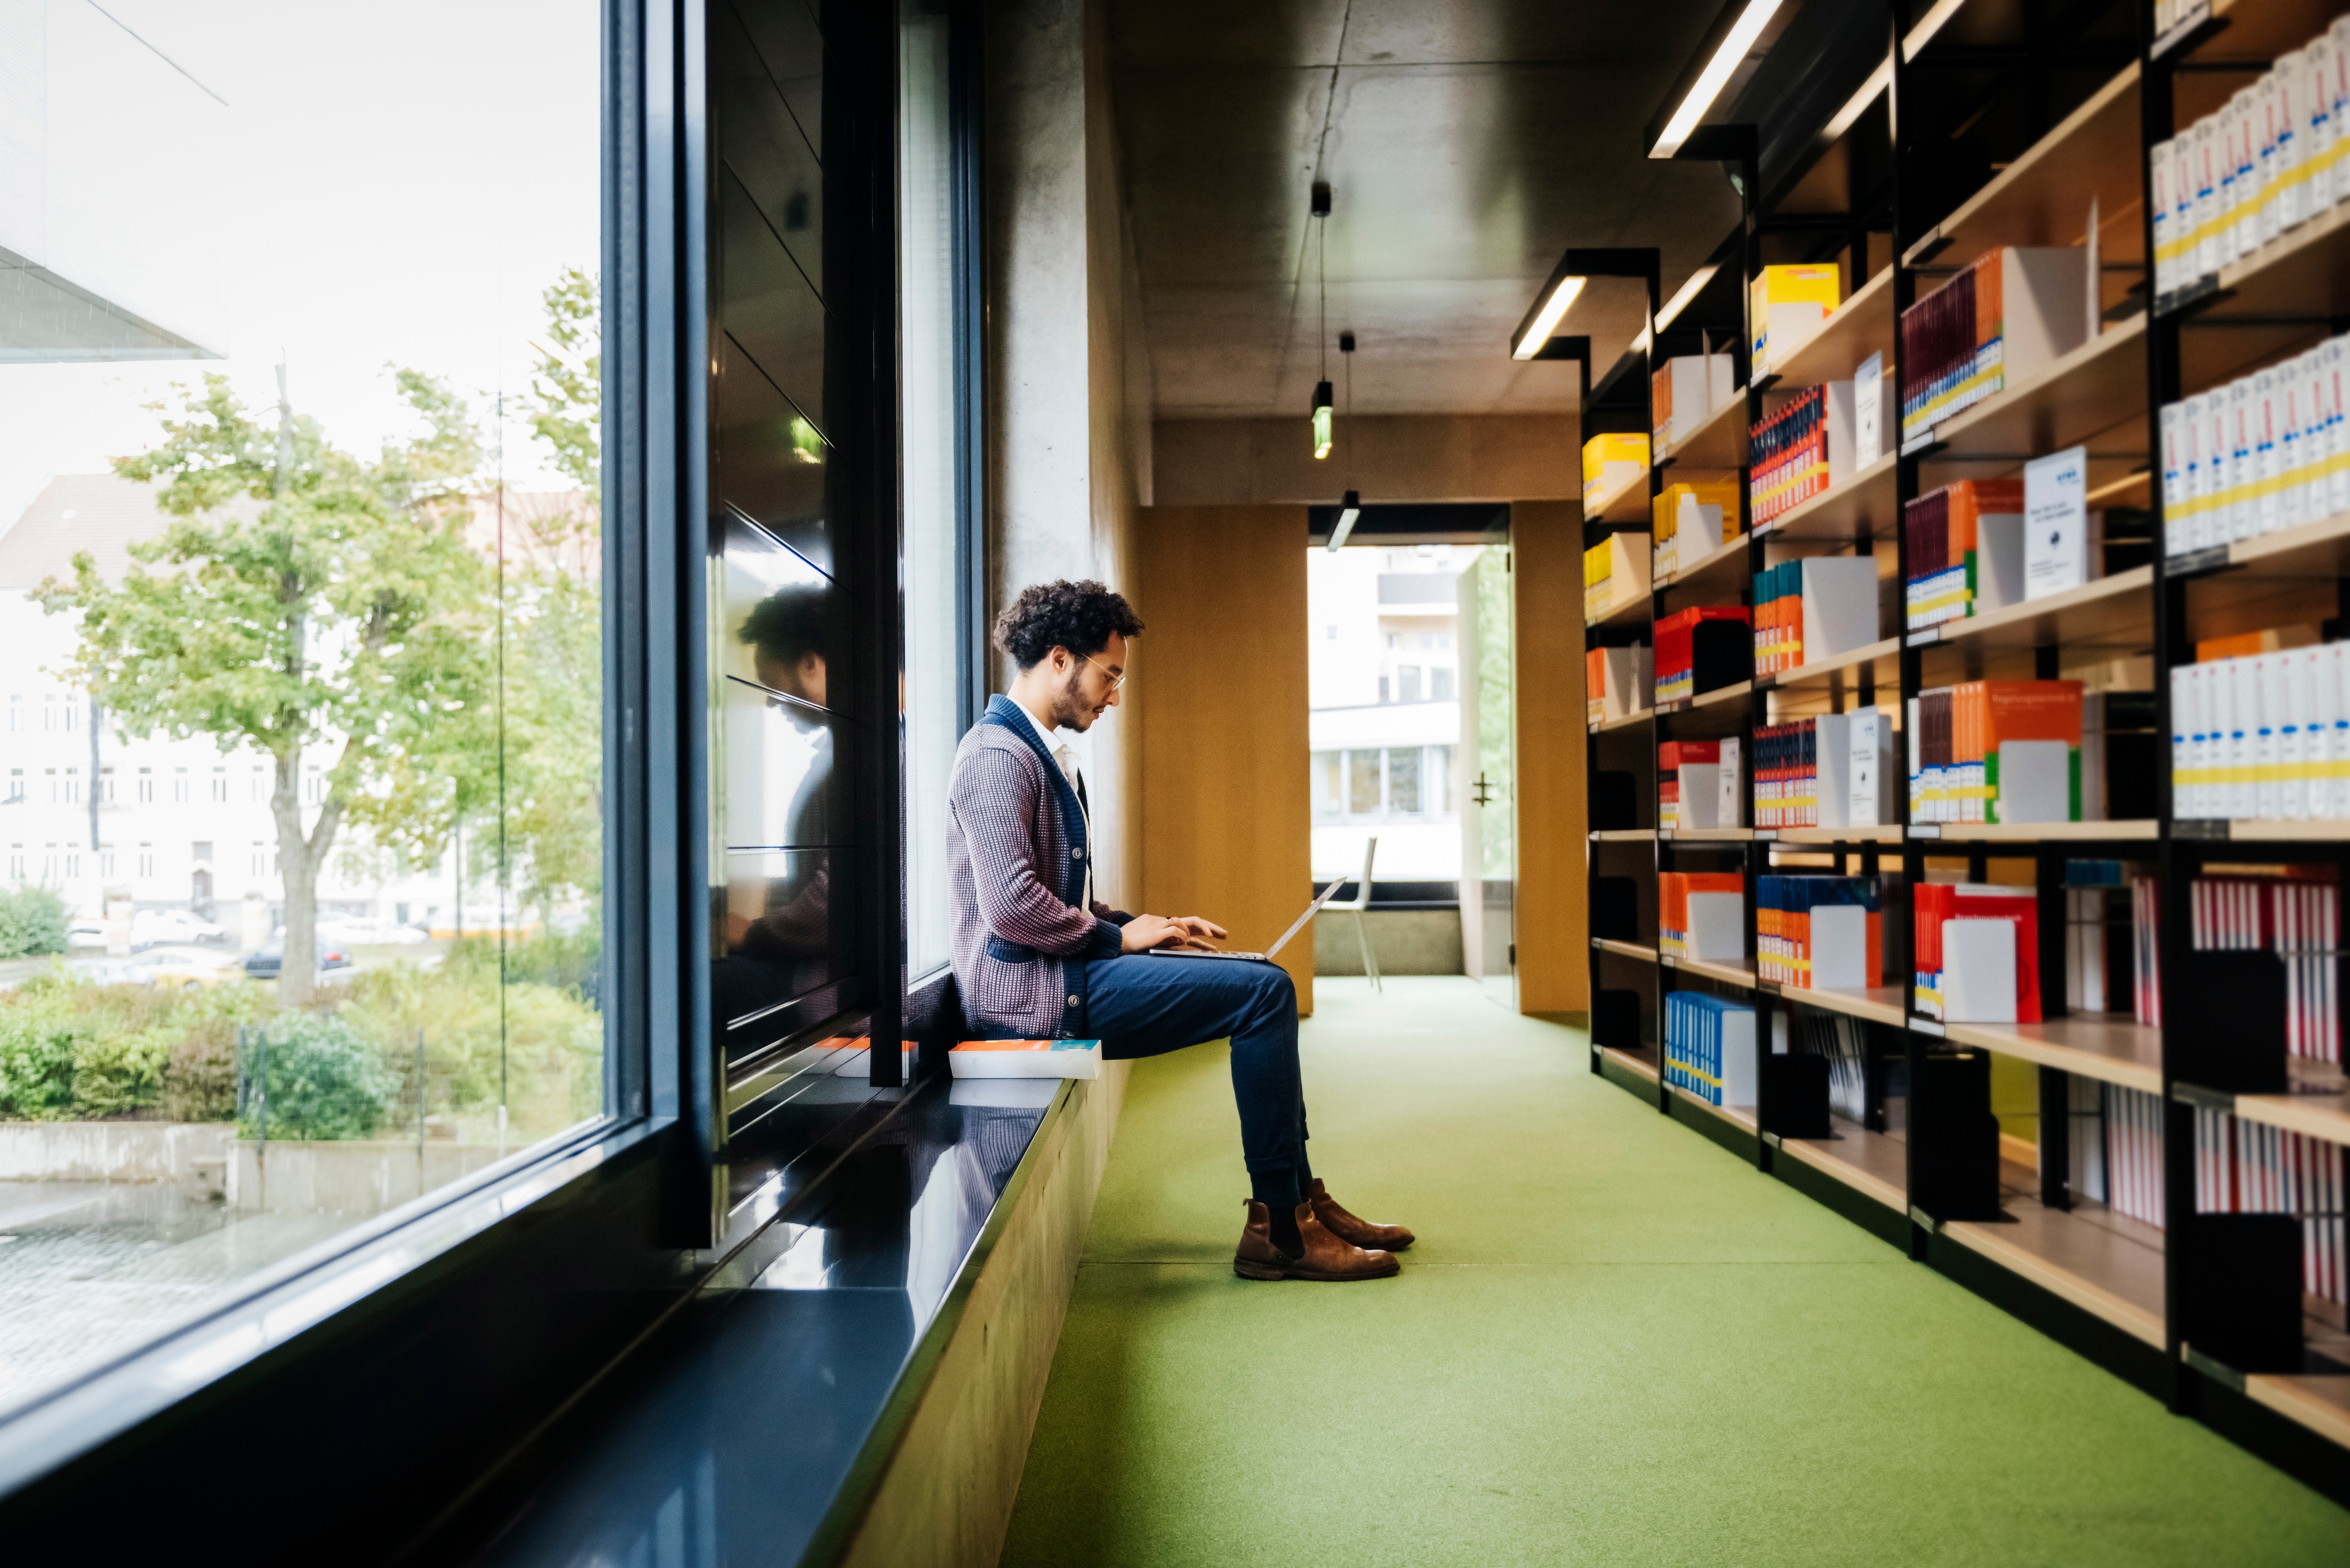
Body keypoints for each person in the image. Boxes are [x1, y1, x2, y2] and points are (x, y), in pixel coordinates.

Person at [947, 579, 1414, 1282]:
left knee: (1264, 983)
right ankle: (1284, 1228)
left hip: (1058, 975)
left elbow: (1062, 898)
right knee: (1264, 994)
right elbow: (1012, 907)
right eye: (1110, 675)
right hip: (1028, 997)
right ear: (1060, 659)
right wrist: (1117, 941)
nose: (1114, 694)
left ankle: (1301, 1202)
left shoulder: (1034, 753)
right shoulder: (994, 756)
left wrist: (1141, 923)